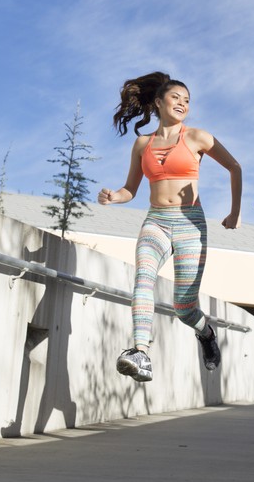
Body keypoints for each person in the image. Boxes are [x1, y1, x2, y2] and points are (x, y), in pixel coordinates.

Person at [98, 72, 242, 383]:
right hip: (156, 221)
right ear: (159, 103)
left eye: (187, 100)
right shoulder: (142, 144)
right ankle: (141, 353)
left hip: (190, 224)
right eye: (176, 97)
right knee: (143, 277)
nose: (182, 103)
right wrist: (114, 196)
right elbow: (130, 190)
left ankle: (205, 334)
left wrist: (234, 212)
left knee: (184, 307)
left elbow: (235, 167)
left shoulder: (197, 138)